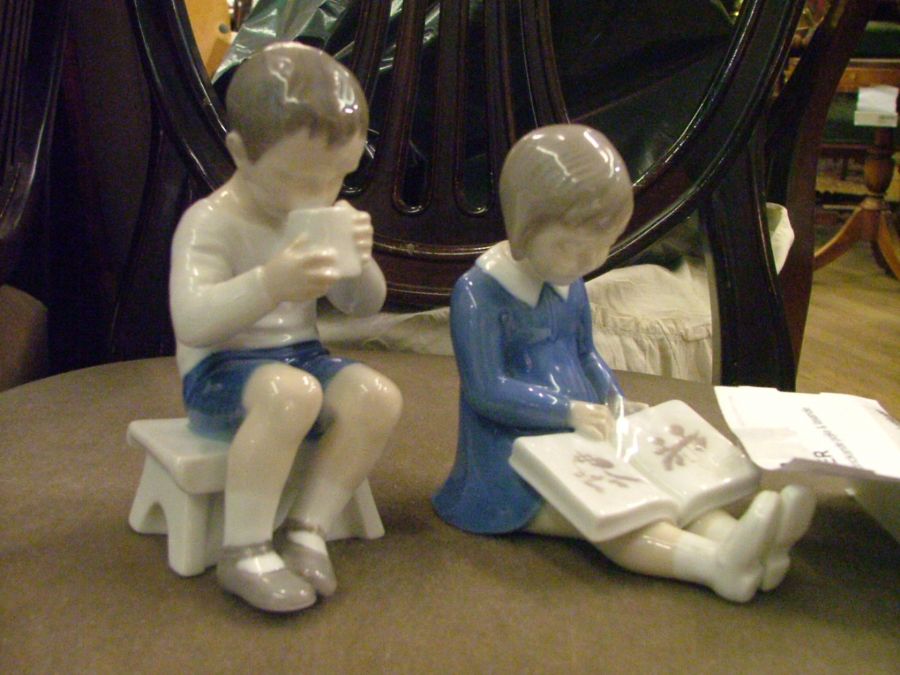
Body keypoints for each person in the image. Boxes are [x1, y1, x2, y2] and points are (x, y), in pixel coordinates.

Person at [433, 124, 814, 602]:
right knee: (622, 512)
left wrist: (612, 397)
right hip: (512, 464)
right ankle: (713, 563)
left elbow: (586, 353)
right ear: (523, 227)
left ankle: (743, 539)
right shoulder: (480, 294)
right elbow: (487, 388)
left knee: (667, 483)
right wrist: (568, 411)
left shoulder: (568, 282)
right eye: (568, 247)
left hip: (586, 434)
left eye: (601, 247)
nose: (584, 261)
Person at [170, 42, 402, 612]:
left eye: (337, 178)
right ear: (240, 153)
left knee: (376, 395)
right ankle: (245, 549)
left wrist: (360, 261)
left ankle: (307, 529)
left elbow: (361, 305)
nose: (319, 197)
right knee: (291, 393)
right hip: (219, 373)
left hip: (302, 359)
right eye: (297, 178)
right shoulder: (210, 223)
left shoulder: (319, 214)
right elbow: (193, 321)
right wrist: (269, 284)